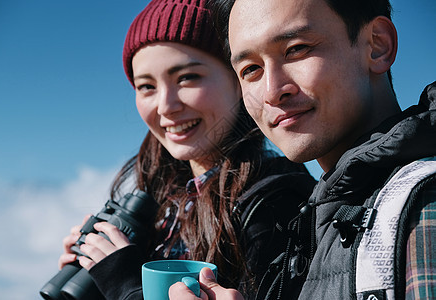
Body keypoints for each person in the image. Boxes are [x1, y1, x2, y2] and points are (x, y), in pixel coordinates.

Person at [169, 0, 436, 299]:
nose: (272, 91)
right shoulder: (318, 218)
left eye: (296, 49)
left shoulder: (424, 201)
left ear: (377, 45)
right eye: (251, 69)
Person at [57, 0, 316, 299]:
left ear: (239, 78)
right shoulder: (161, 201)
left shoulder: (276, 204)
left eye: (187, 78)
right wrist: (99, 278)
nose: (166, 106)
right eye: (146, 87)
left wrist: (124, 285)